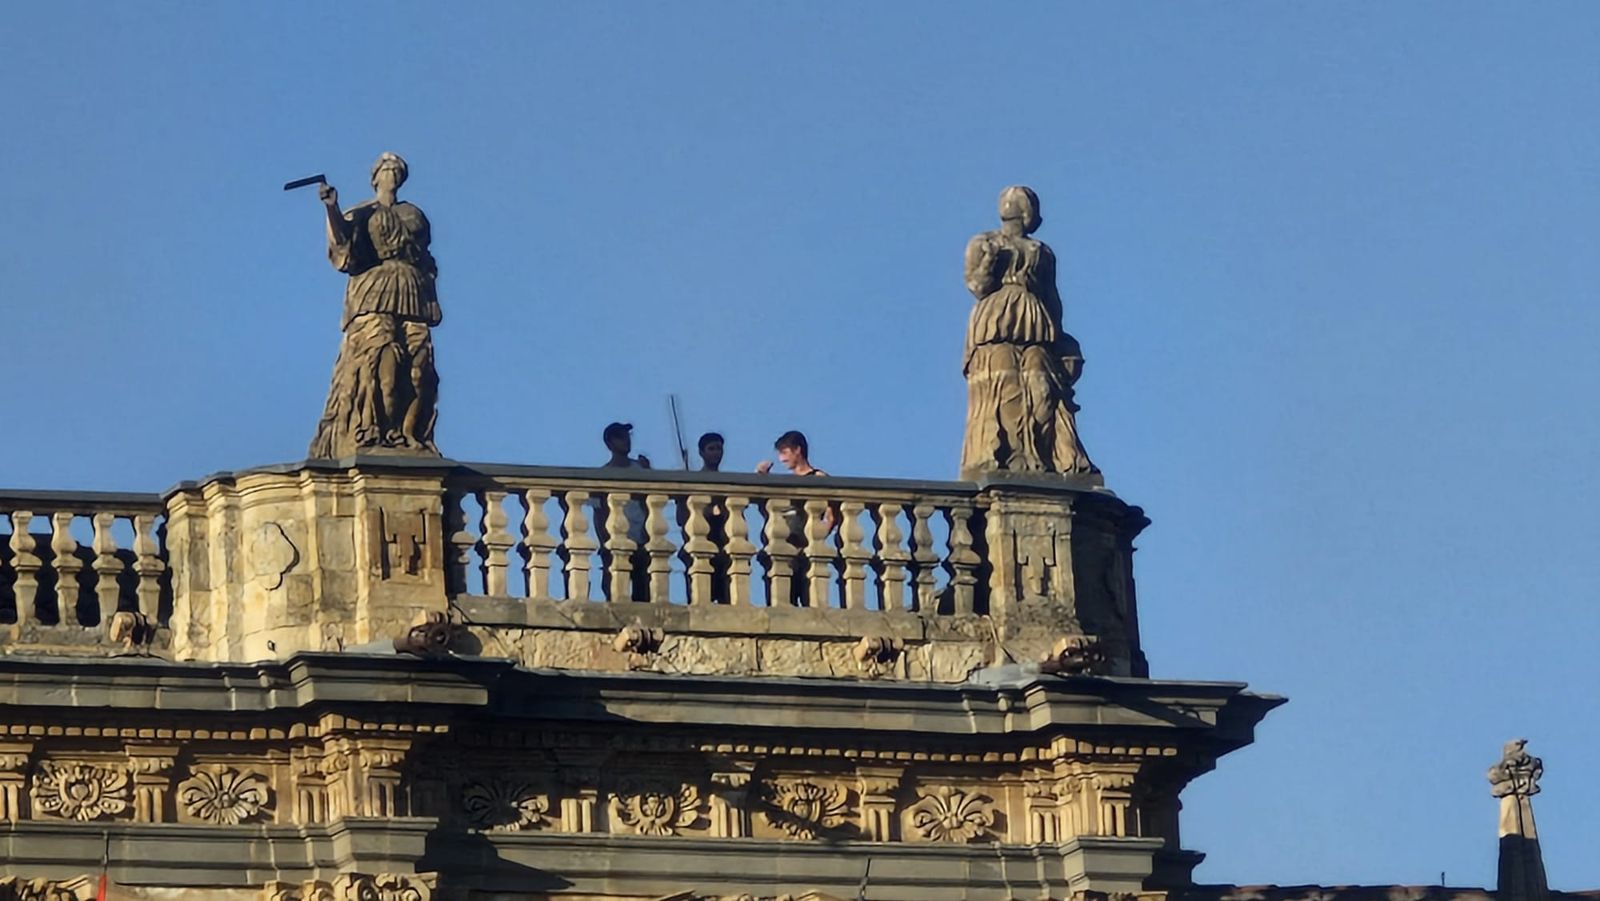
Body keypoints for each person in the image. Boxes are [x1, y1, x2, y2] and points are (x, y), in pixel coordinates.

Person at [309, 152, 442, 458]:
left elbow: (425, 259)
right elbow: (343, 248)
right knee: (380, 357)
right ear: (375, 177)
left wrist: (432, 297)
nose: (392, 173)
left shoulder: (415, 214)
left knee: (419, 365)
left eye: (397, 170)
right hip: (373, 291)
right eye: (386, 169)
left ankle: (410, 433)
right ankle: (373, 429)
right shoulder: (362, 212)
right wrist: (331, 208)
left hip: (411, 290)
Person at [960, 185, 1095, 476]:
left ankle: (1041, 455)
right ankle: (1005, 456)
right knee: (1004, 386)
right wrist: (989, 261)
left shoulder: (1042, 252)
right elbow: (977, 286)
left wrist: (1062, 339)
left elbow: (1051, 296)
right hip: (996, 325)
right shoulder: (983, 242)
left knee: (1041, 389)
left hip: (1037, 326)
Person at [755, 431, 836, 606]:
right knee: (782, 603)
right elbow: (767, 511)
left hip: (805, 550)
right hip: (782, 549)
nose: (781, 459)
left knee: (810, 604)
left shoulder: (817, 477)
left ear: (797, 450)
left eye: (784, 453)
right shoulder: (785, 482)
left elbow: (832, 514)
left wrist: (817, 536)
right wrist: (760, 479)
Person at [595, 422, 650, 601]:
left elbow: (648, 502)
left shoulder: (640, 469)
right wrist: (605, 540)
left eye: (627, 436)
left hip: (641, 537)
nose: (626, 440)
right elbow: (599, 512)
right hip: (616, 538)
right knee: (616, 591)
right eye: (620, 437)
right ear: (609, 443)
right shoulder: (603, 474)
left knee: (644, 590)